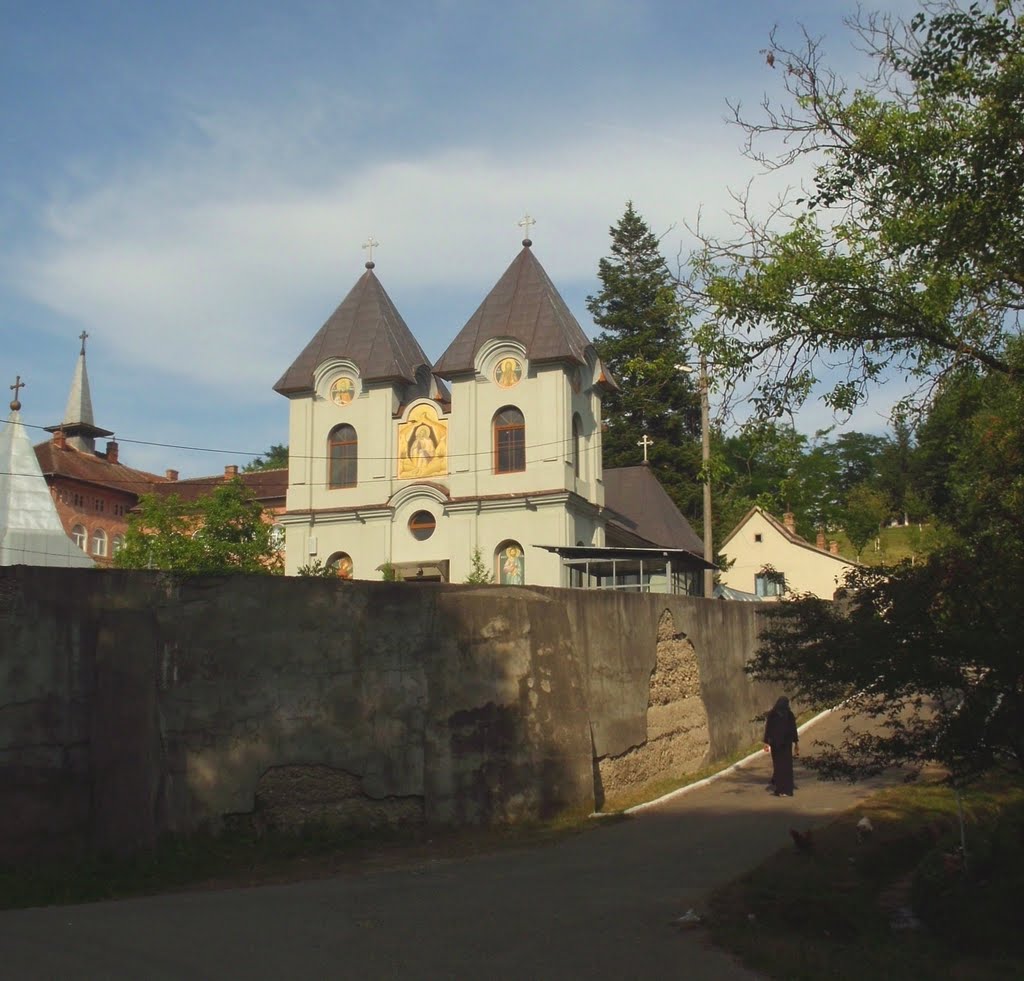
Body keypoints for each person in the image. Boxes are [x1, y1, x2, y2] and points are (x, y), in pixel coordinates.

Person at [763, 696, 799, 796]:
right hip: (787, 745)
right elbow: (793, 729)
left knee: (778, 766)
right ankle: (788, 790)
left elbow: (768, 729)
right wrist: (796, 743)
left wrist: (766, 742)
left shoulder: (773, 715)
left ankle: (780, 790)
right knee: (787, 766)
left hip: (776, 744)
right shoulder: (789, 714)